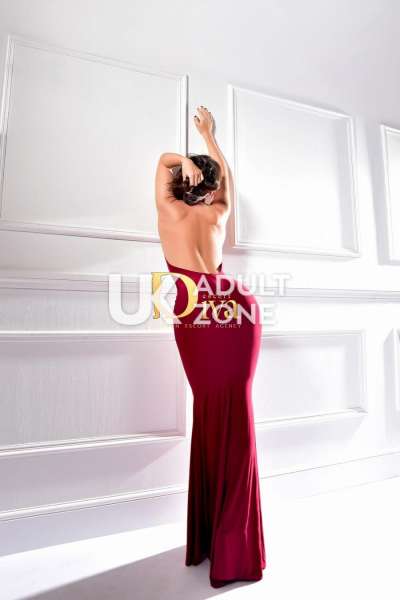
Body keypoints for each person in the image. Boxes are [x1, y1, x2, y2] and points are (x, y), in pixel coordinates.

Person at [154, 106, 266, 588]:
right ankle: (229, 542)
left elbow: (161, 163)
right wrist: (209, 138)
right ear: (209, 188)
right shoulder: (217, 213)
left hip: (196, 311)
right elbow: (228, 185)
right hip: (238, 307)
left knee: (213, 411)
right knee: (235, 414)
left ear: (183, 183)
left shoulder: (171, 211)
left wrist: (185, 157)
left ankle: (219, 541)